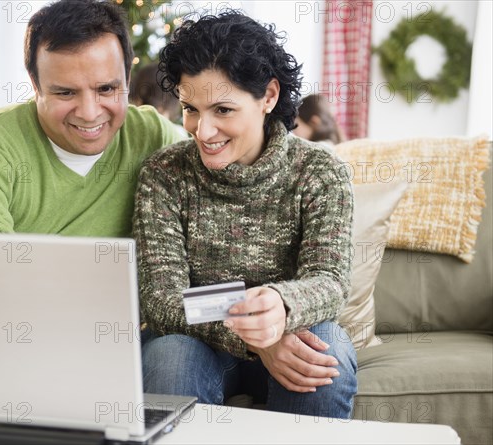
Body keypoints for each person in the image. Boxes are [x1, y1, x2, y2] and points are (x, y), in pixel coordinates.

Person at [0, 0, 183, 397]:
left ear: (126, 80)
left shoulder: (154, 136)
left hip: (107, 337)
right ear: (34, 86)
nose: (89, 111)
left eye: (106, 89)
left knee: (172, 355)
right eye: (65, 92)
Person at [133, 11, 357, 418]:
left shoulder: (322, 172)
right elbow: (161, 301)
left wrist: (279, 306)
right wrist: (256, 337)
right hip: (197, 345)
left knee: (329, 352)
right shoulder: (164, 174)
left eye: (223, 110)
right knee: (168, 357)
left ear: (268, 96)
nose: (202, 131)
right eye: (190, 109)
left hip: (291, 331)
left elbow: (330, 281)